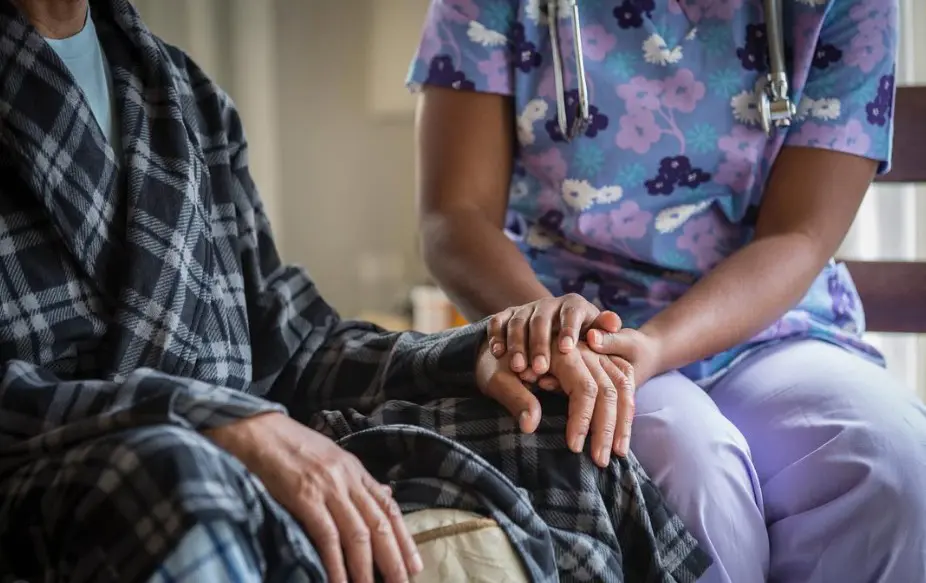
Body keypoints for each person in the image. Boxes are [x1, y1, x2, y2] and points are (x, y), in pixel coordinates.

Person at [0, 0, 715, 581]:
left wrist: (477, 354)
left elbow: (300, 343)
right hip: (81, 466)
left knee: (548, 419)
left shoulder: (182, 94)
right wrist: (212, 419)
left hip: (239, 434)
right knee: (171, 473)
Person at [409, 0, 926, 581]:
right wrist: (552, 326)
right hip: (581, 338)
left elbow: (801, 233)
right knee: (685, 464)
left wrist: (657, 343)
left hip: (772, 325)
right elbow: (454, 215)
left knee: (892, 462)